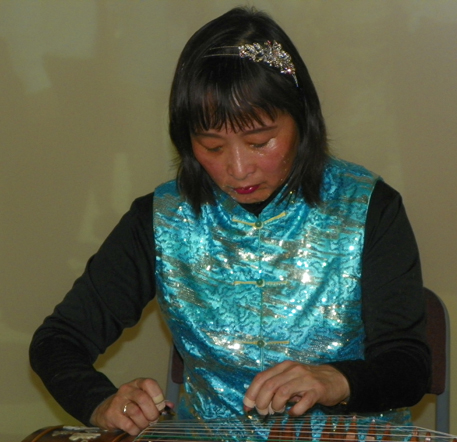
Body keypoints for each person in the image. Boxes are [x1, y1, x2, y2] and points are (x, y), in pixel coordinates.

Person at [30, 7, 430, 438]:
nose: (238, 169)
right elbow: (57, 341)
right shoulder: (163, 219)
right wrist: (100, 401)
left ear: (303, 120)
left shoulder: (367, 206)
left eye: (259, 141)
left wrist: (336, 380)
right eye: (212, 146)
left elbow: (408, 365)